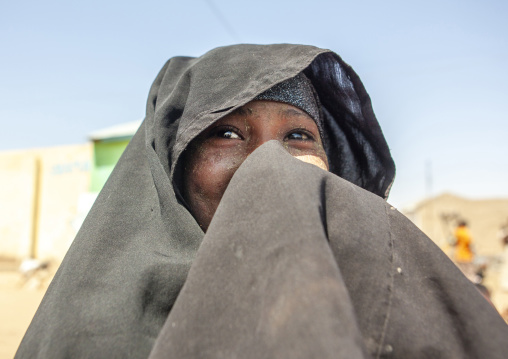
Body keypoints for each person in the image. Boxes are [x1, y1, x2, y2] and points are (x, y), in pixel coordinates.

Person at [15, 44, 508, 359]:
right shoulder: (89, 331)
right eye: (227, 133)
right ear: (174, 164)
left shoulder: (393, 299)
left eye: (298, 136)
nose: (267, 164)